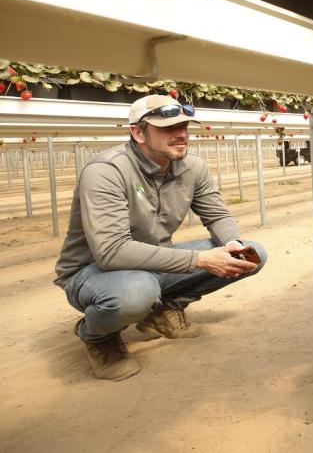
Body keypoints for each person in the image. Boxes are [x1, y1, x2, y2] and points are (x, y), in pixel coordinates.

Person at [54, 95, 268, 381]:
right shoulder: (106, 171)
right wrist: (201, 259)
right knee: (136, 292)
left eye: (183, 126)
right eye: (167, 128)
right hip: (94, 272)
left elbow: (217, 216)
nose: (180, 134)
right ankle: (97, 337)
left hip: (150, 264)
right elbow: (112, 251)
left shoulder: (192, 167)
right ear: (138, 132)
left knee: (253, 254)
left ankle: (163, 310)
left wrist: (231, 243)